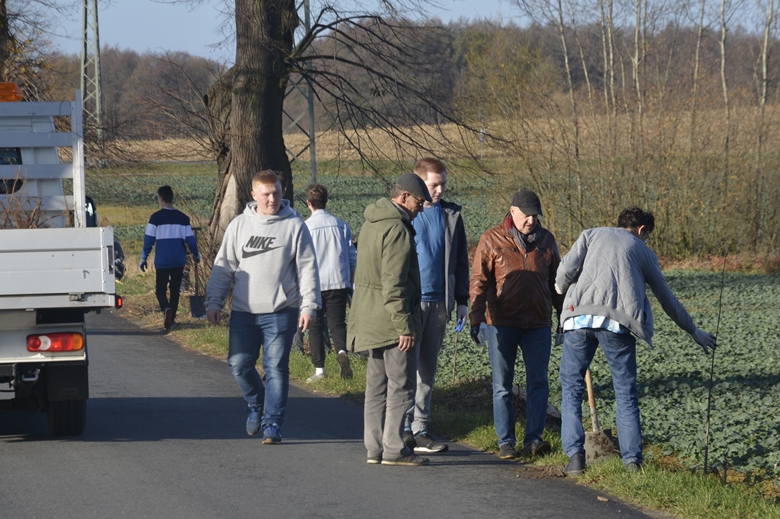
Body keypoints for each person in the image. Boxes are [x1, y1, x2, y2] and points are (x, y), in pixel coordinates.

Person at [555, 206, 717, 475]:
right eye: (647, 236)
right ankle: (632, 463)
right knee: (625, 393)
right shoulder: (644, 251)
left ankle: (574, 457)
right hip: (617, 323)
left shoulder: (591, 234)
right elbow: (667, 299)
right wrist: (693, 330)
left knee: (571, 389)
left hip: (578, 320)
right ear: (642, 230)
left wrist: (562, 289)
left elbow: (564, 272)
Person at [205, 170, 321, 444]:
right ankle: (256, 403)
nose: (272, 199)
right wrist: (214, 301)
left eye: (277, 193)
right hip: (245, 311)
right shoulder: (239, 226)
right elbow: (224, 267)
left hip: (282, 310)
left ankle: (272, 425)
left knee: (276, 368)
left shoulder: (295, 225)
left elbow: (308, 268)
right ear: (253, 195)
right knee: (238, 364)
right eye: (266, 194)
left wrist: (309, 306)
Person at [469, 189, 563, 460]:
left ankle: (534, 439)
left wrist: (563, 321)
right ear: (512, 212)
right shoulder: (491, 239)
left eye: (535, 216)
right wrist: (476, 319)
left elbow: (558, 283)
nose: (531, 221)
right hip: (502, 323)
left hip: (538, 323)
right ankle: (506, 442)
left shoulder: (547, 241)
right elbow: (478, 282)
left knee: (538, 383)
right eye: (526, 215)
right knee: (502, 385)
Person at [347, 173, 431, 467]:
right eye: (419, 202)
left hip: (369, 317)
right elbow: (394, 284)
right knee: (401, 386)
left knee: (376, 386)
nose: (419, 209)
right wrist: (404, 325)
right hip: (391, 320)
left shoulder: (372, 223)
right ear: (404, 196)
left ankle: (374, 448)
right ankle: (394, 449)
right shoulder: (397, 230)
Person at [402, 158, 469, 454]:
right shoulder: (406, 215)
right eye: (433, 185)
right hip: (412, 304)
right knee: (406, 369)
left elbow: (460, 261)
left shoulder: (451, 215)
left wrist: (463, 301)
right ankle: (400, 428)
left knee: (427, 370)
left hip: (440, 302)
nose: (440, 190)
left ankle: (421, 428)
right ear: (420, 184)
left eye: (443, 184)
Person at [303, 183, 357, 383]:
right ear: (326, 201)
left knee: (316, 327)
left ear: (309, 203)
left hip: (315, 284)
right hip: (338, 281)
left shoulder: (306, 227)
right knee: (338, 323)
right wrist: (351, 284)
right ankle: (342, 350)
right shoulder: (341, 225)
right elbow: (352, 257)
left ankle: (319, 370)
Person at [140, 185, 200, 330]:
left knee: (160, 289)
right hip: (178, 260)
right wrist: (196, 254)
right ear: (172, 198)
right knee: (175, 290)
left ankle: (165, 308)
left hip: (162, 261)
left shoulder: (155, 218)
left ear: (161, 199)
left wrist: (144, 257)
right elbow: (191, 240)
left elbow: (149, 240)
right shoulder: (183, 218)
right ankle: (171, 318)